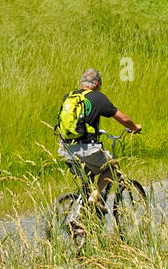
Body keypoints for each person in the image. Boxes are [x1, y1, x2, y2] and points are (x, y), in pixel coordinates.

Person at [54, 68, 141, 203]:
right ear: (96, 84)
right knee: (113, 166)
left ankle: (84, 210)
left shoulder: (69, 96)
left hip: (65, 149)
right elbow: (121, 118)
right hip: (87, 149)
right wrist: (134, 127)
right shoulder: (98, 97)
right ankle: (95, 197)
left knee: (89, 171)